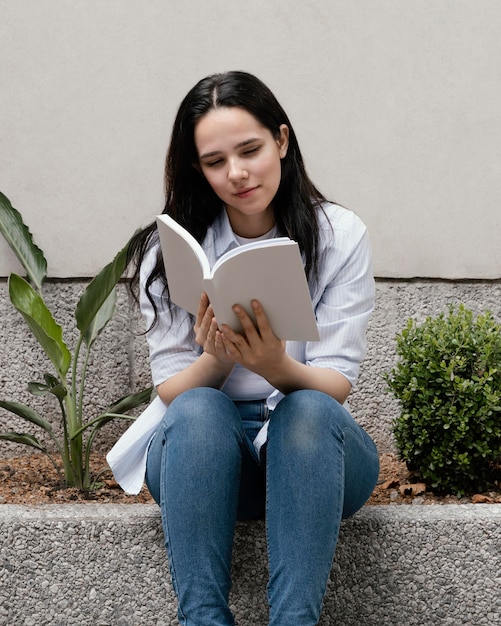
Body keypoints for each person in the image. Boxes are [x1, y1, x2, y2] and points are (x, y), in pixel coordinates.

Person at [114, 71, 379, 626]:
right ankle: (203, 619)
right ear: (197, 169)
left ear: (282, 141)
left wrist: (274, 366)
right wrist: (218, 359)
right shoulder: (169, 252)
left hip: (314, 463)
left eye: (251, 150)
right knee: (196, 408)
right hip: (204, 466)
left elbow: (336, 384)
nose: (236, 174)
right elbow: (170, 388)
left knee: (308, 409)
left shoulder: (339, 236)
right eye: (214, 162)